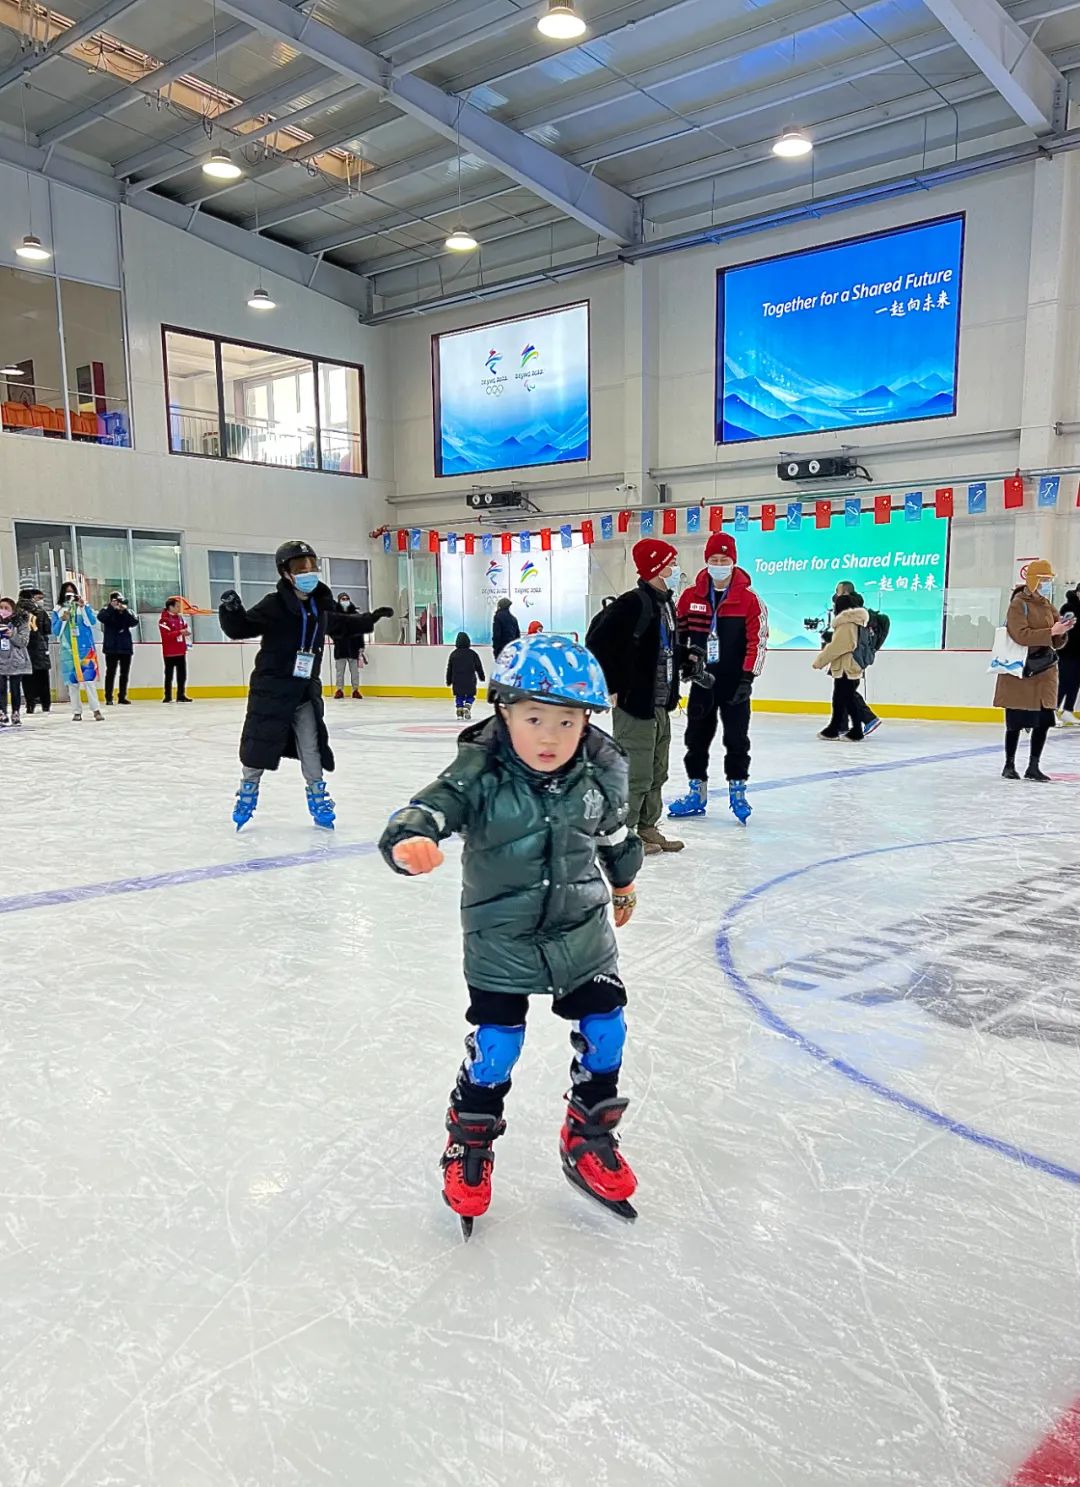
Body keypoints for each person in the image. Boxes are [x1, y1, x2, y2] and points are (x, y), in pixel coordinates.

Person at [379, 633, 643, 1234]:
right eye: (533, 718)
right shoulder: (480, 774)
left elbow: (614, 837)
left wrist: (623, 885)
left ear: (586, 721)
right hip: (500, 933)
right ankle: (468, 1142)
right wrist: (410, 841)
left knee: (607, 1028)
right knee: (498, 1045)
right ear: (503, 713)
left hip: (580, 928)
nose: (550, 736)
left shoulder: (598, 775)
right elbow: (429, 808)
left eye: (566, 720)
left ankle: (589, 1133)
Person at [218, 539, 393, 831]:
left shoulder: (319, 608)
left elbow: (340, 624)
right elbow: (242, 627)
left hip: (304, 691)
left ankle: (318, 796)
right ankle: (247, 792)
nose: (308, 572)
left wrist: (367, 620)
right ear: (285, 572)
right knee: (258, 744)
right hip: (271, 691)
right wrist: (231, 611)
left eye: (312, 565)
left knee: (311, 747)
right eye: (300, 567)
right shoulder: (274, 606)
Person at [586, 537, 685, 855]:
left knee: (657, 768)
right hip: (635, 702)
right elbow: (598, 640)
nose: (675, 567)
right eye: (670, 562)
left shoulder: (666, 603)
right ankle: (623, 832)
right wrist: (612, 684)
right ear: (657, 566)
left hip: (659, 702)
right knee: (635, 770)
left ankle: (647, 826)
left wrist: (688, 657)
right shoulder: (633, 603)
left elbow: (661, 650)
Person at [668, 533, 768, 826]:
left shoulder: (749, 600)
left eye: (724, 560)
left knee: (737, 740)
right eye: (714, 560)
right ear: (707, 562)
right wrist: (684, 661)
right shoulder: (690, 596)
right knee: (696, 740)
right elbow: (679, 635)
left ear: (734, 562)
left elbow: (758, 641)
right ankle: (696, 792)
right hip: (702, 682)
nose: (719, 564)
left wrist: (748, 678)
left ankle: (738, 792)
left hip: (735, 684)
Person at [994, 558, 1073, 781]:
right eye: (1044, 579)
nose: (1047, 584)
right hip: (1022, 671)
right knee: (1016, 722)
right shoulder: (1019, 603)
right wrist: (1051, 631)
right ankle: (1009, 764)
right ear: (1034, 579)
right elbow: (1020, 634)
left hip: (1045, 671)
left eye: (1049, 580)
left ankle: (1033, 765)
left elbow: (1055, 638)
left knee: (1043, 721)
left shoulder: (1048, 604)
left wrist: (1062, 631)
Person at [812, 590, 870, 740]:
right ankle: (836, 728)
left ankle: (853, 730)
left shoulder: (847, 623)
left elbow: (840, 646)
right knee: (843, 699)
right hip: (849, 666)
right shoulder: (855, 622)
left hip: (846, 667)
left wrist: (820, 661)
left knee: (845, 699)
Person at [831, 580, 882, 737]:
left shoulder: (851, 610)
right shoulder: (855, 609)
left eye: (838, 591)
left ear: (845, 592)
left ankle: (869, 718)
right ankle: (842, 725)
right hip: (852, 655)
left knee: (846, 691)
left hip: (851, 656)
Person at [52, 582, 103, 721]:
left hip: (85, 649)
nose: (70, 596)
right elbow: (55, 631)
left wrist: (83, 606)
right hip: (68, 650)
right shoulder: (58, 610)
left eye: (72, 593)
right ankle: (76, 711)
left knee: (89, 681)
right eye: (67, 593)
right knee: (72, 683)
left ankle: (96, 709)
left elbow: (92, 622)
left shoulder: (83, 606)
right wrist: (62, 619)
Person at [98, 591, 139, 705]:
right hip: (111, 647)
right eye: (116, 601)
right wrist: (112, 608)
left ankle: (122, 696)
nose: (119, 603)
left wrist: (123, 610)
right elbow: (101, 618)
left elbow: (134, 622)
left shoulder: (127, 612)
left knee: (124, 673)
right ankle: (108, 697)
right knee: (110, 672)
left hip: (125, 647)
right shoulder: (106, 611)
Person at [16, 588, 51, 714]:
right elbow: (48, 629)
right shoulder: (40, 612)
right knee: (43, 678)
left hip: (23, 649)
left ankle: (30, 704)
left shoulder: (16, 613)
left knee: (27, 678)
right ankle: (45, 704)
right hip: (40, 648)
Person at [0, 596, 30, 726]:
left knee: (15, 688)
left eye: (6, 608)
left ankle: (15, 712)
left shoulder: (21, 623)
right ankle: (1, 712)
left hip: (16, 659)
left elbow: (23, 642)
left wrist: (12, 635)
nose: (3, 610)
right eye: (1, 608)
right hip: (1, 659)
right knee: (0, 688)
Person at [331, 591, 368, 699]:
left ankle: (355, 690)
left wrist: (361, 647)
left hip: (354, 648)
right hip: (340, 649)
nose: (345, 601)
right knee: (339, 671)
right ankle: (339, 690)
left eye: (347, 598)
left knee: (355, 671)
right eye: (343, 599)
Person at [446, 631, 485, 720]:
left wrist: (448, 680)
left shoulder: (453, 654)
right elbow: (478, 666)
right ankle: (467, 705)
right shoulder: (473, 654)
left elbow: (450, 669)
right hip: (470, 680)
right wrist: (481, 676)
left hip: (457, 680)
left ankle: (459, 709)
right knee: (470, 695)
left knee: (459, 696)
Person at [1056, 582, 1080, 725]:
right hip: (1067, 651)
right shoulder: (1068, 608)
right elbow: (1064, 629)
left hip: (1079, 653)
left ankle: (1067, 711)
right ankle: (1052, 710)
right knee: (1064, 682)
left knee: (1076, 682)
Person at [159, 599, 192, 703]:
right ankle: (167, 696)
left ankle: (181, 695)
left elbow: (186, 628)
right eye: (177, 606)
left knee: (182, 674)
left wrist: (186, 632)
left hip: (181, 651)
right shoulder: (163, 620)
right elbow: (166, 636)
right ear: (171, 607)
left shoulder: (181, 618)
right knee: (169, 675)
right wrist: (179, 632)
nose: (179, 608)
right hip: (169, 652)